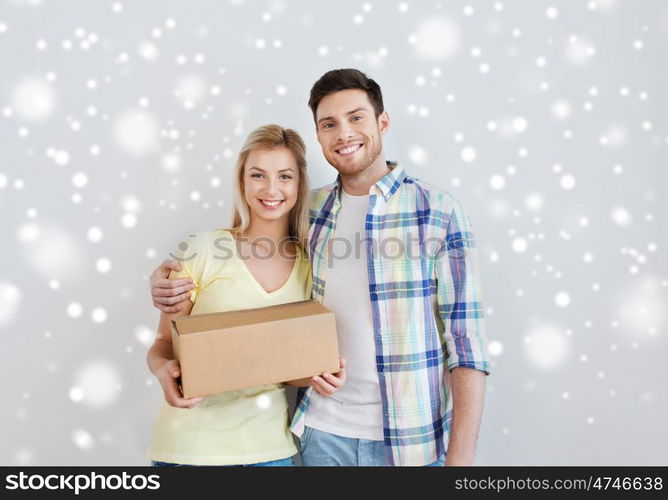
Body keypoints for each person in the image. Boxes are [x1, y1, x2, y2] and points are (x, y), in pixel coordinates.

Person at [150, 69, 490, 467]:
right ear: (319, 136)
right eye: (329, 124)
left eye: (356, 117)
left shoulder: (438, 211)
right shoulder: (310, 213)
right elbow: (250, 256)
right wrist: (163, 279)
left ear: (383, 121)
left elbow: (466, 345)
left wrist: (461, 459)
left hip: (412, 442)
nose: (344, 133)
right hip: (320, 436)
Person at [145, 124, 346, 467]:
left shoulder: (312, 266)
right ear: (242, 181)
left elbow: (285, 371)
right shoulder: (201, 250)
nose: (271, 188)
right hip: (190, 451)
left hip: (270, 451)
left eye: (284, 176)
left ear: (299, 185)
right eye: (258, 175)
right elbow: (163, 343)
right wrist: (164, 371)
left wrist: (318, 374)